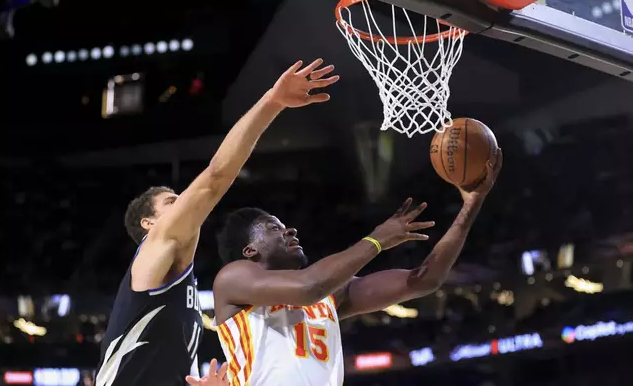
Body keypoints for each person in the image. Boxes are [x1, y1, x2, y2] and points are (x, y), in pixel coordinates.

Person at [94, 58, 340, 386]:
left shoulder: (182, 287)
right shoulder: (157, 246)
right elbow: (214, 178)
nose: (184, 202)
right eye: (172, 202)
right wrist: (272, 102)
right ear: (149, 224)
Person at [213, 150, 503, 386]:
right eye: (273, 228)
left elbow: (424, 280)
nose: (289, 230)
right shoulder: (233, 279)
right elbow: (308, 287)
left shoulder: (331, 294)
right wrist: (377, 239)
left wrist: (471, 205)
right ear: (249, 250)